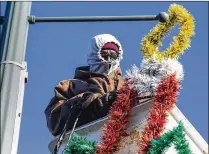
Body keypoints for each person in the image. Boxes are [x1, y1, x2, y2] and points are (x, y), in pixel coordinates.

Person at [45, 34, 124, 136]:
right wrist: (90, 103)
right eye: (104, 55)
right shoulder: (70, 86)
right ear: (94, 54)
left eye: (113, 56)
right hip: (85, 142)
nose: (108, 60)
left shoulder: (127, 86)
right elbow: (54, 120)